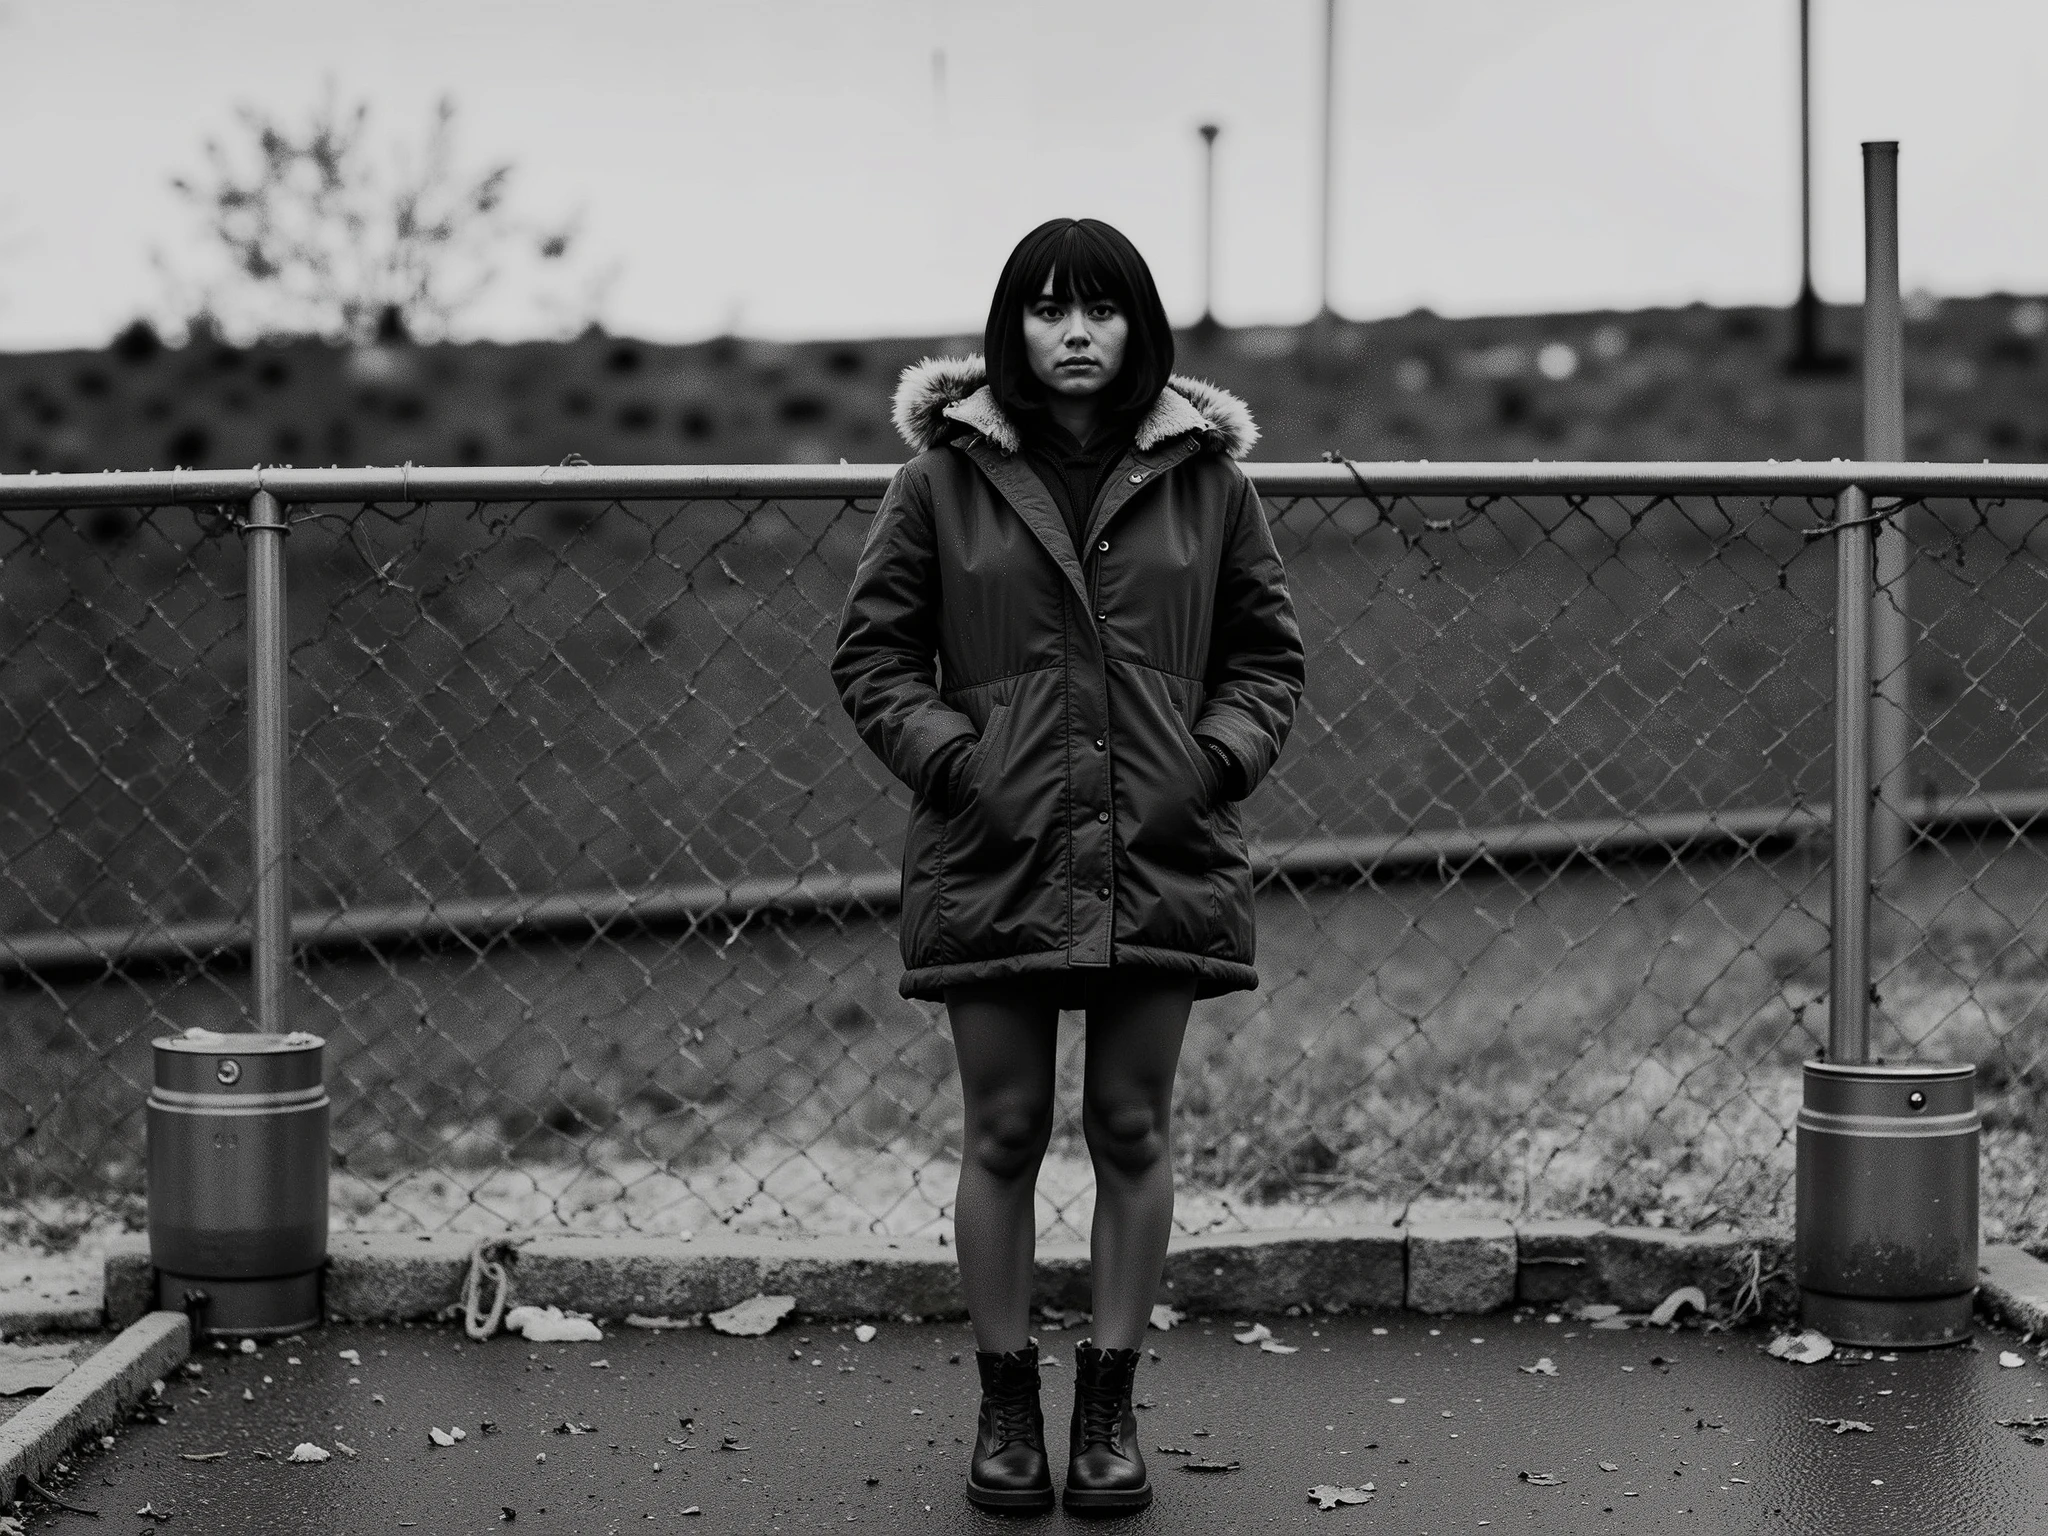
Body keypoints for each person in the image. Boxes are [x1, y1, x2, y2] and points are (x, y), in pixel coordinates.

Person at [831, 217, 1304, 1517]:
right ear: (1013, 328)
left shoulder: (1213, 486)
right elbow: (874, 658)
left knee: (1131, 1127)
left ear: (1139, 325)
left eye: (1100, 308)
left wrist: (1210, 762)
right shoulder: (938, 482)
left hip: (1160, 848)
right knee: (1003, 1128)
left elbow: (1267, 660)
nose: (1076, 333)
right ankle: (1004, 1409)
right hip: (996, 850)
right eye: (1048, 309)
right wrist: (960, 764)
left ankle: (1107, 1411)